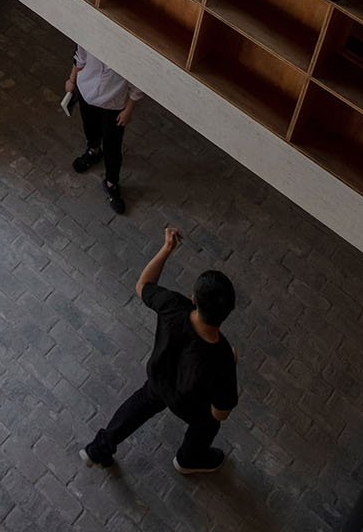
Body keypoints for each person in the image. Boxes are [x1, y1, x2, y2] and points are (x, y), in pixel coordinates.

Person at [80, 226, 239, 476]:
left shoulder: (174, 306)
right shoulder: (222, 357)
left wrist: (167, 248)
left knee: (140, 404)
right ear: (228, 312)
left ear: (194, 300)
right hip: (189, 405)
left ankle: (99, 449)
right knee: (208, 423)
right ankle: (188, 460)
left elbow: (143, 285)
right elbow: (221, 413)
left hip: (158, 379)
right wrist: (232, 364)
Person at [65, 44, 142, 214]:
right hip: (86, 92)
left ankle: (111, 182)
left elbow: (137, 83)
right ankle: (93, 151)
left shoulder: (130, 53)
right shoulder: (93, 37)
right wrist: (72, 80)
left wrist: (128, 110)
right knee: (89, 127)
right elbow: (80, 57)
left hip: (113, 104)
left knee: (112, 145)